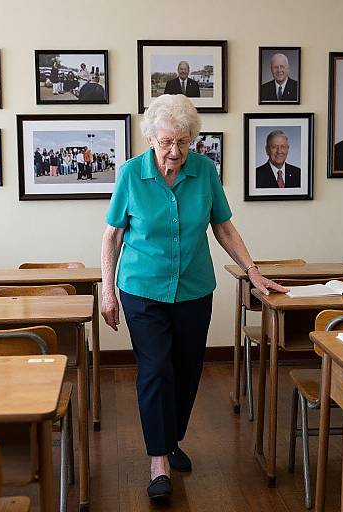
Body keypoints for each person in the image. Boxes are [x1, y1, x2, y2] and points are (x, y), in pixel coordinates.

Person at [101, 94, 286, 500]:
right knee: (154, 370)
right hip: (142, 290)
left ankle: (171, 440)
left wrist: (253, 271)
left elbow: (223, 228)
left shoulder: (204, 171)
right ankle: (158, 463)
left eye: (183, 142)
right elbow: (113, 235)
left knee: (187, 370)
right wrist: (107, 291)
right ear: (151, 138)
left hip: (194, 289)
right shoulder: (132, 174)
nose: (175, 151)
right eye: (167, 142)